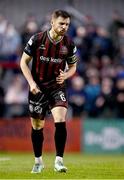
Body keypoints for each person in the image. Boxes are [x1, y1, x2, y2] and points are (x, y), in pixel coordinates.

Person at [20, 9, 78, 173]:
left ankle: (59, 161)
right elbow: (23, 62)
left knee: (60, 118)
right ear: (52, 22)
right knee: (37, 126)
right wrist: (31, 83)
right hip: (37, 88)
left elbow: (73, 66)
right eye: (61, 23)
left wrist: (66, 75)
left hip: (56, 87)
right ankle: (38, 161)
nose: (64, 27)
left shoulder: (69, 44)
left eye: (67, 24)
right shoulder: (37, 39)